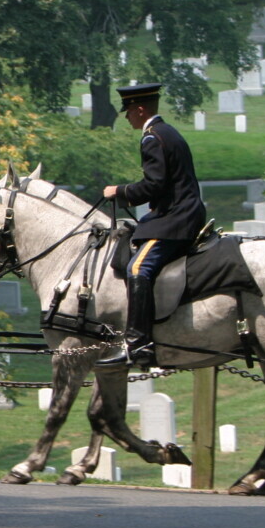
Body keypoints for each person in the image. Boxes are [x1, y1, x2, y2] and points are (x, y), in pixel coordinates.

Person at [96, 82, 206, 369]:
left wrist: (119, 191)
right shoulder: (167, 132)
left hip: (177, 220)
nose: (126, 116)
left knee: (137, 268)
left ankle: (138, 344)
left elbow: (153, 185)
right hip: (178, 213)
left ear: (141, 109)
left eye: (129, 110)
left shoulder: (152, 138)